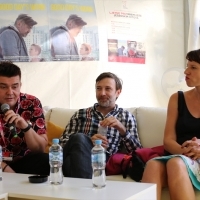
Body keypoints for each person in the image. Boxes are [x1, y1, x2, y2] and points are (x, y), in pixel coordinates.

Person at [141, 49, 200, 200]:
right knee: (153, 165)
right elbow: (168, 141)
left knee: (175, 163)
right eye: (187, 66)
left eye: (193, 67)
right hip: (180, 154)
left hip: (183, 160)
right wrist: (188, 152)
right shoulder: (177, 98)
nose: (186, 71)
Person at [59, 72, 142, 178]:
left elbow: (137, 152)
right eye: (99, 88)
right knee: (79, 138)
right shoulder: (81, 114)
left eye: (108, 89)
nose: (102, 93)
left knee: (68, 163)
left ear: (118, 92)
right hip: (76, 155)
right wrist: (87, 142)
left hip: (102, 160)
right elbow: (61, 144)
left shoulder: (126, 117)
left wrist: (122, 130)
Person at [0, 61, 49, 175]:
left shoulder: (32, 103)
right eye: (3, 87)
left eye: (14, 86)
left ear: (20, 85)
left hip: (23, 160)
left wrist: (26, 127)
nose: (10, 92)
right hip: (1, 162)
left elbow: (40, 148)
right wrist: (5, 168)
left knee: (44, 160)